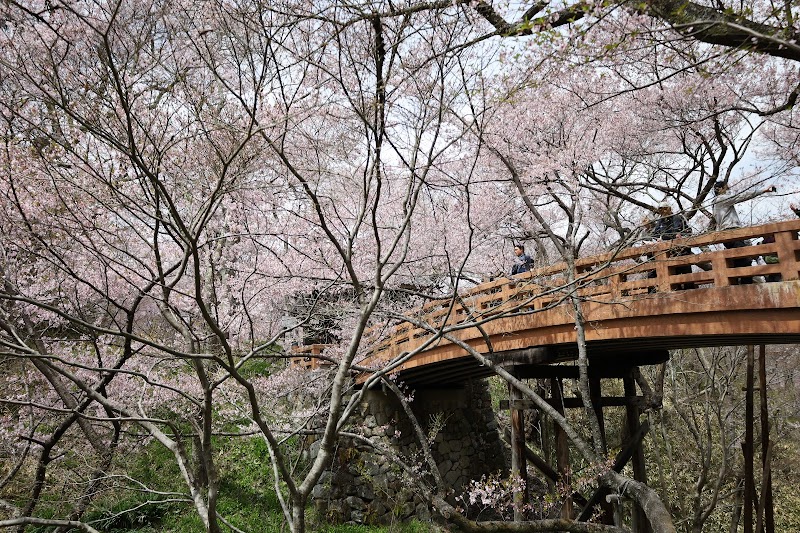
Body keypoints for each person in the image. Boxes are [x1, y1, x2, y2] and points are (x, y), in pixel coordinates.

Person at [712, 181, 777, 284]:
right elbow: (740, 196)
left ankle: (741, 283)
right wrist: (763, 190)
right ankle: (745, 286)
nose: (728, 190)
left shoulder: (716, 203)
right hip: (731, 233)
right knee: (744, 261)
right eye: (725, 188)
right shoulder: (721, 199)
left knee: (738, 261)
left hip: (730, 234)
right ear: (719, 189)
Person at [648, 202, 694, 290]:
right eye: (660, 209)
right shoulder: (659, 222)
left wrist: (681, 235)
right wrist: (658, 239)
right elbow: (654, 235)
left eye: (665, 208)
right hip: (667, 253)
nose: (663, 211)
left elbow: (689, 231)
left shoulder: (678, 217)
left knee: (685, 272)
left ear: (670, 209)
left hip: (681, 251)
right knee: (672, 274)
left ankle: (690, 289)